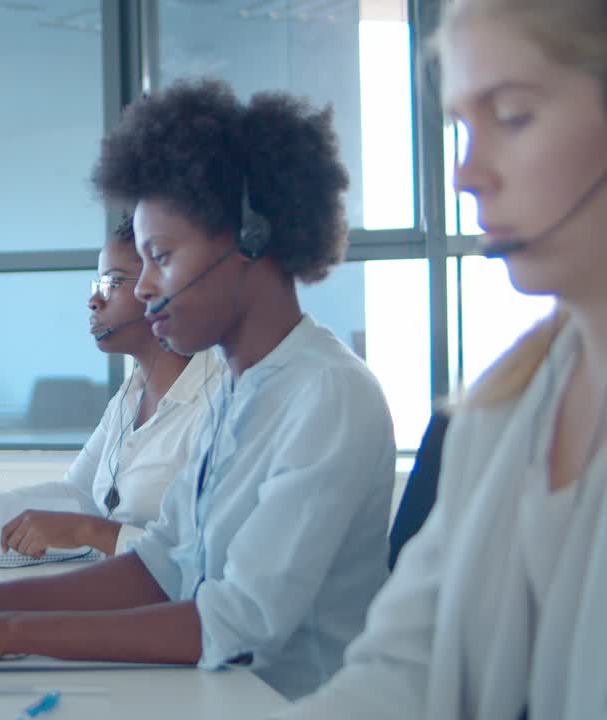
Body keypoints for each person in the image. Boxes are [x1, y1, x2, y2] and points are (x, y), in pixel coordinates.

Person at [0, 77, 396, 700]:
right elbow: (159, 567)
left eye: (160, 256)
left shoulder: (326, 395)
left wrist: (0, 631)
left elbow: (235, 626)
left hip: (282, 704)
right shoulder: (238, 390)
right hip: (213, 694)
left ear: (251, 241)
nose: (142, 287)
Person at [275, 1, 607, 717]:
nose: (465, 175)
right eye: (462, 127)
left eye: (512, 116)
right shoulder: (499, 409)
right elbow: (400, 674)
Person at [0, 219, 222, 558]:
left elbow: (200, 555)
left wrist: (87, 531)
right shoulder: (129, 396)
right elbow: (75, 495)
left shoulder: (216, 401)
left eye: (112, 283)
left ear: (162, 285)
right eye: (97, 283)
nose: (94, 300)